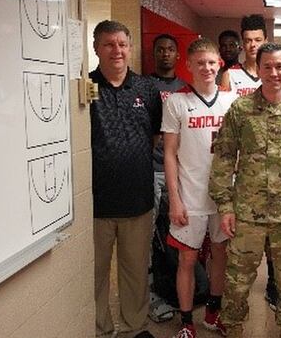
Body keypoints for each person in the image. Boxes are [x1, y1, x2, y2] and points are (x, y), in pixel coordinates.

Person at [209, 42, 281, 338]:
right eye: (267, 67)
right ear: (258, 70)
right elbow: (224, 158)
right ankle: (232, 330)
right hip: (246, 213)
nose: (274, 73)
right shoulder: (241, 110)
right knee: (237, 283)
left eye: (279, 67)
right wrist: (225, 206)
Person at [163, 38, 238, 338]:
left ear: (219, 63)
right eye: (200, 63)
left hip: (223, 197)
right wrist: (174, 199)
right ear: (189, 65)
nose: (206, 68)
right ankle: (186, 322)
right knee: (187, 259)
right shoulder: (176, 101)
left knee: (221, 254)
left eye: (211, 62)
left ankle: (212, 313)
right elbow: (169, 153)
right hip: (190, 196)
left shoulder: (232, 101)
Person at [90, 20, 161, 338]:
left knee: (134, 270)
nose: (116, 50)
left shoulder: (146, 89)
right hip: (95, 202)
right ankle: (100, 327)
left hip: (138, 199)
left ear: (130, 47)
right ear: (96, 48)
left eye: (122, 44)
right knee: (96, 272)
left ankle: (135, 327)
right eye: (108, 44)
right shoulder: (85, 86)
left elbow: (155, 136)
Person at [149, 33, 187, 323]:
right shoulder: (144, 85)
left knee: (176, 232)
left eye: (170, 50)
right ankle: (151, 291)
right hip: (150, 170)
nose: (165, 54)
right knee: (149, 235)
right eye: (160, 49)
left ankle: (180, 287)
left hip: (177, 171)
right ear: (154, 53)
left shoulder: (184, 90)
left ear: (177, 55)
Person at [221, 15, 265, 97]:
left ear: (265, 41)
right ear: (243, 44)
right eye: (248, 41)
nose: (253, 45)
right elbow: (224, 108)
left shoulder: (275, 74)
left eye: (258, 40)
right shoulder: (229, 75)